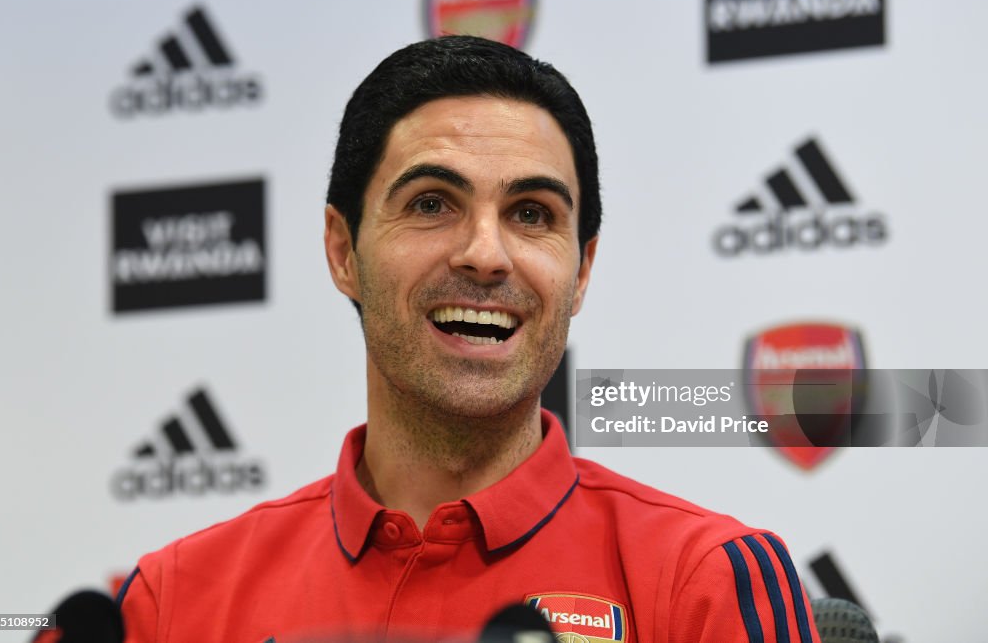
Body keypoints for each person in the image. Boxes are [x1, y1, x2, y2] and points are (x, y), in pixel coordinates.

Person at [118, 36, 820, 643]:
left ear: (581, 274)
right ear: (342, 251)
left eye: (531, 214)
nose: (486, 254)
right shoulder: (172, 602)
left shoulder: (706, 581)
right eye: (431, 203)